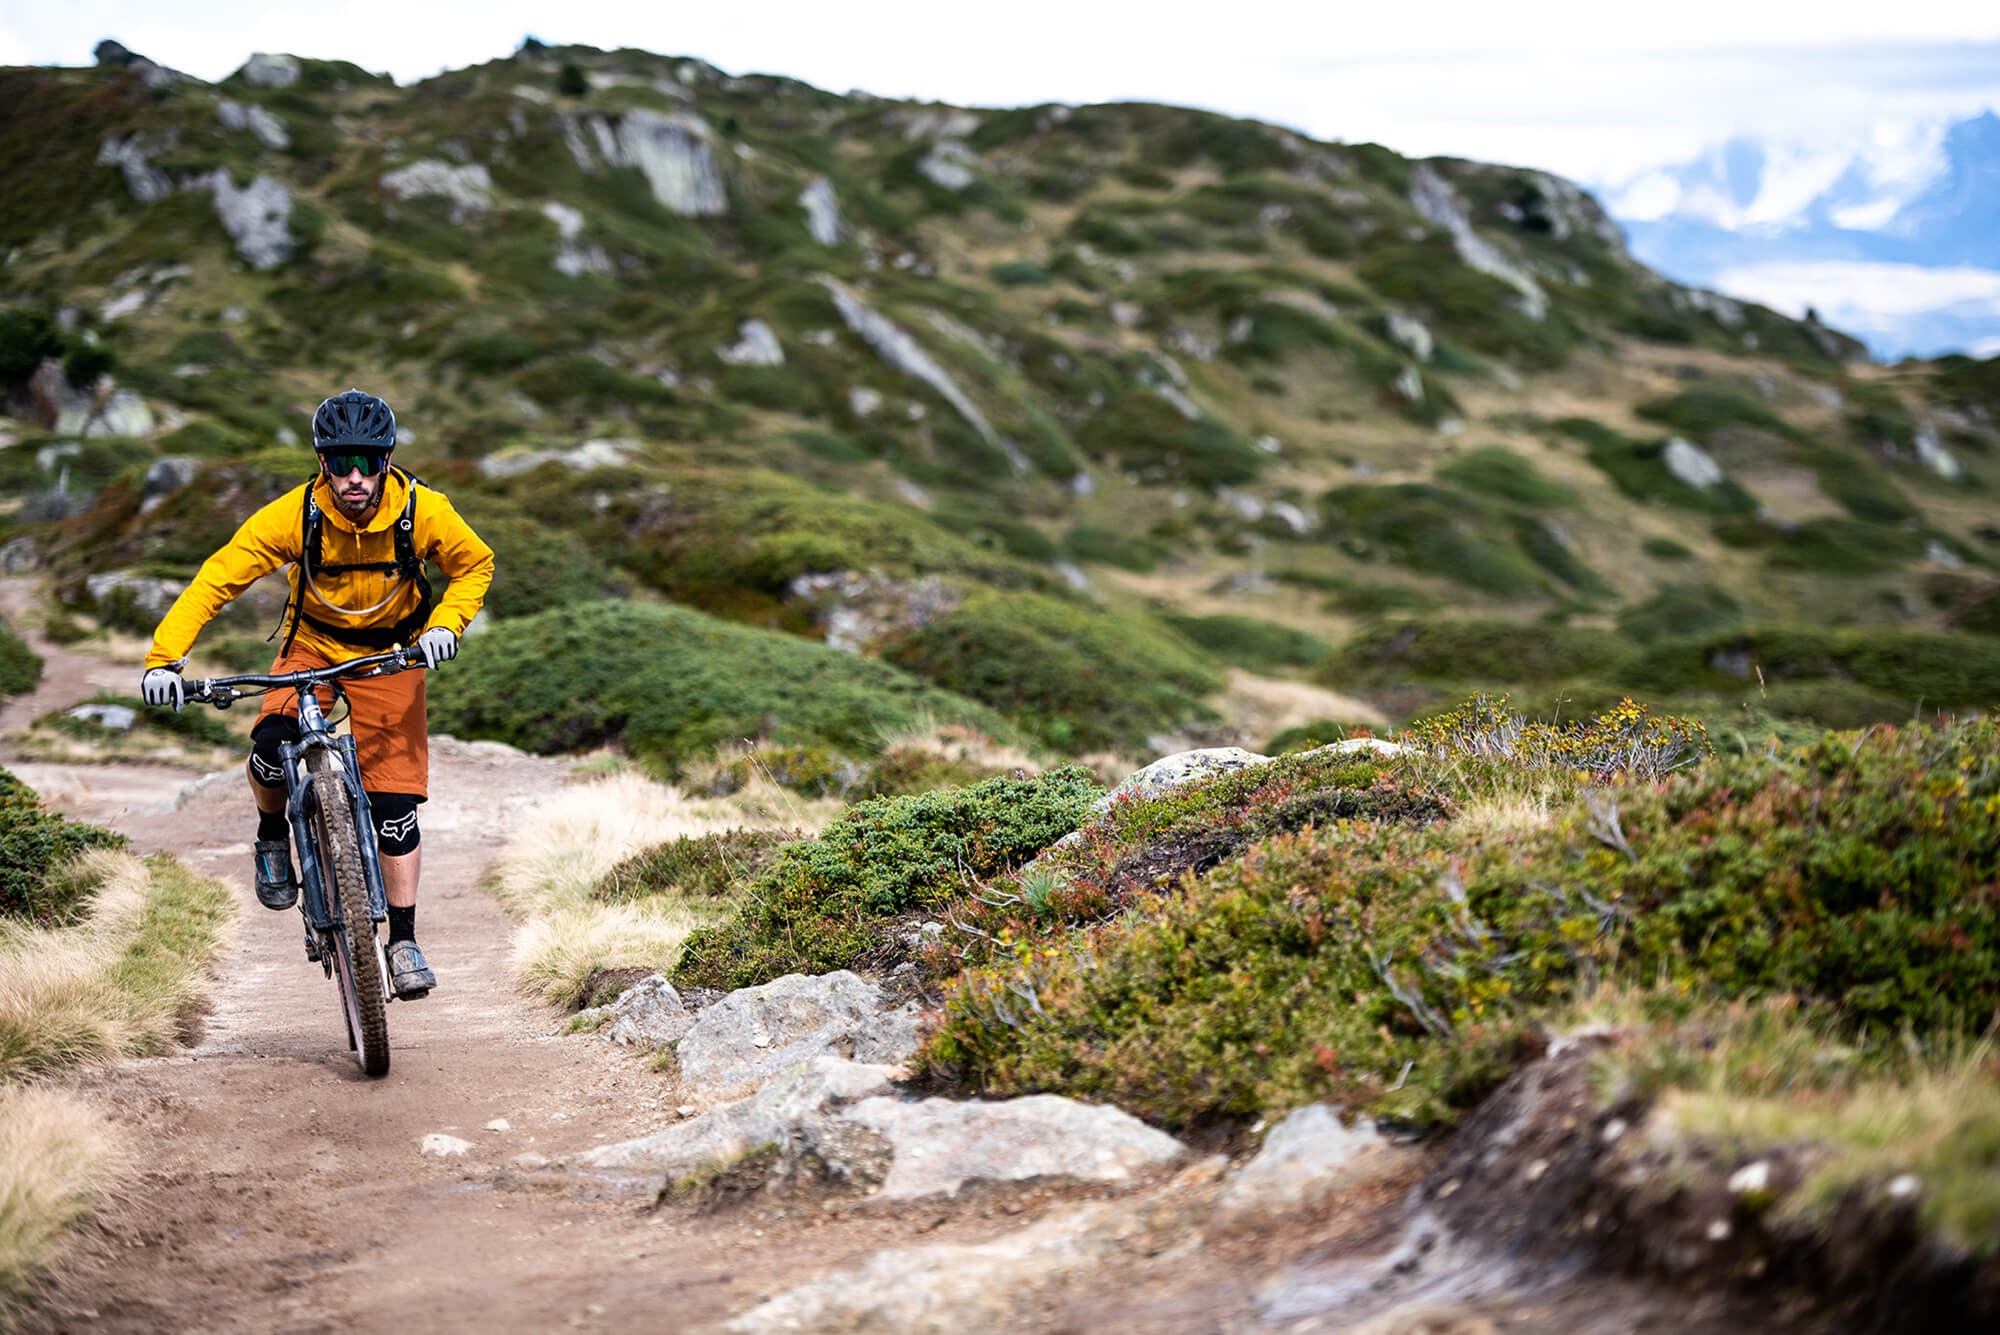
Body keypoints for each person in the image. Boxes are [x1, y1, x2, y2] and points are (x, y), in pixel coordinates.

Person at [139, 390, 495, 998]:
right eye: (339, 462)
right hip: (313, 646)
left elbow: (475, 564)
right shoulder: (295, 514)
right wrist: (165, 659)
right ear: (321, 461)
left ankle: (403, 940)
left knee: (395, 805)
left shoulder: (424, 512)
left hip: (391, 653)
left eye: (367, 462)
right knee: (270, 749)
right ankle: (272, 834)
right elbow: (216, 579)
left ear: (387, 460)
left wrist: (444, 625)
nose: (354, 477)